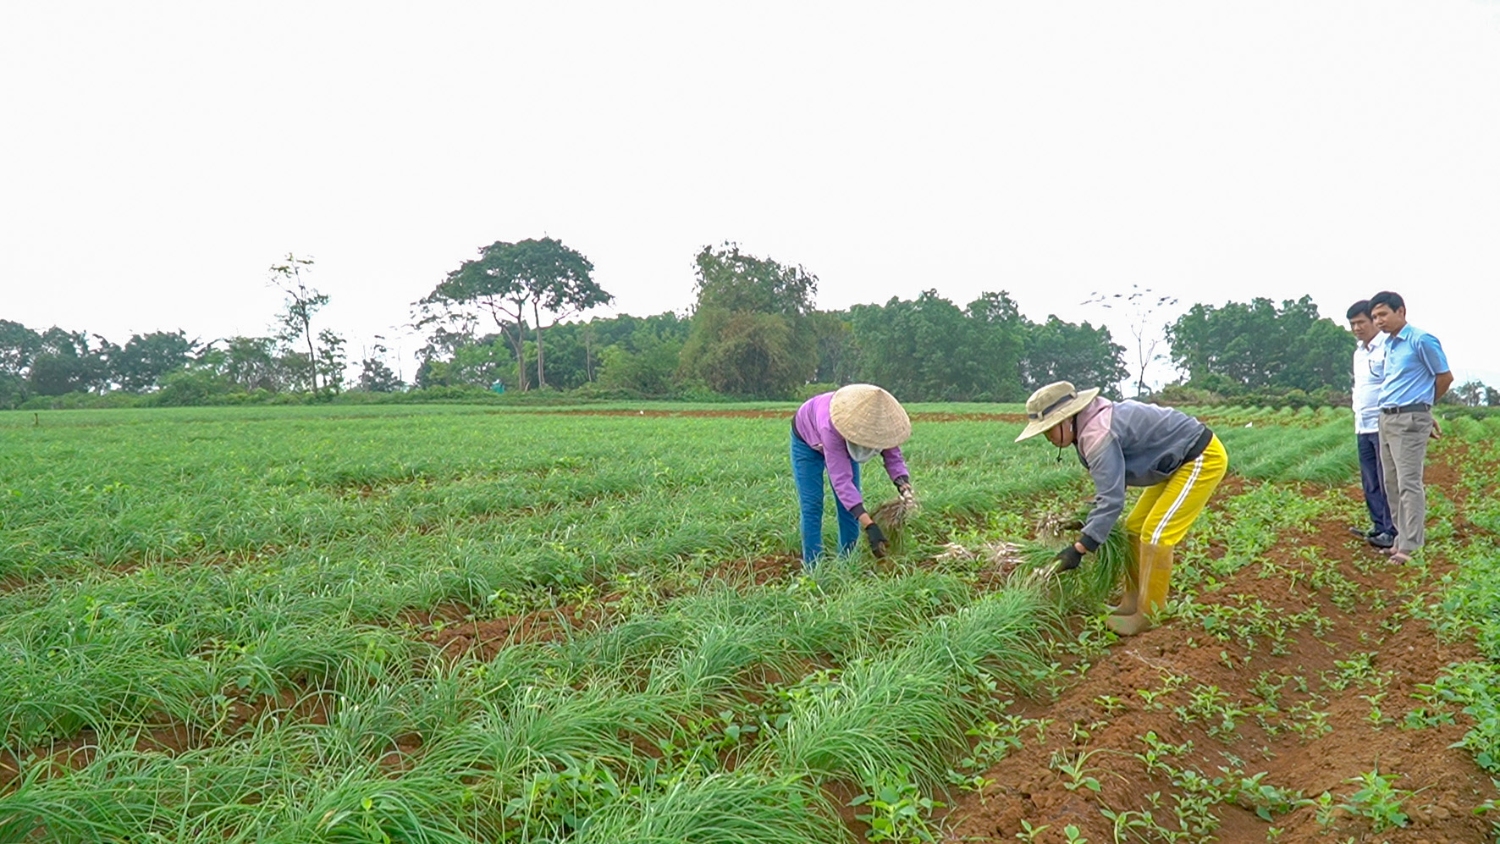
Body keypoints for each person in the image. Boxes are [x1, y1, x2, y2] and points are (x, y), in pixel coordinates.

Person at [1015, 381, 1227, 636]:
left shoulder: (1096, 433)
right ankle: (1131, 601)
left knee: (1157, 534)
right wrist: (1084, 520)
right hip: (1173, 461)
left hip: (1199, 457)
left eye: (1049, 430)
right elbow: (1111, 485)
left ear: (1067, 418)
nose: (1048, 438)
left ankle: (1148, 615)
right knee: (1134, 528)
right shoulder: (1089, 423)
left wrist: (1079, 549)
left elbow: (1113, 500)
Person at [1368, 291, 1452, 565]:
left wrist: (1424, 409)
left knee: (1408, 483)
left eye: (1383, 314)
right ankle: (1399, 539)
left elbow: (1444, 377)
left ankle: (1411, 545)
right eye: (1375, 317)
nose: (1378, 321)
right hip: (1387, 417)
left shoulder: (1421, 340)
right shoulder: (1390, 344)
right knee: (1391, 482)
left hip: (1409, 419)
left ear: (1401, 311)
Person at [792, 384, 913, 569]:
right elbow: (841, 482)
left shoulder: (880, 425)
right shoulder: (833, 427)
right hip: (807, 438)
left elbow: (893, 456)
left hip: (840, 439)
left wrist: (904, 485)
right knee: (812, 505)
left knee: (848, 508)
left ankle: (847, 564)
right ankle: (813, 567)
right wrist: (870, 525)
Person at [1346, 300, 1396, 549]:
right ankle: (1379, 527)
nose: (1357, 328)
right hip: (1362, 424)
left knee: (1386, 477)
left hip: (1383, 423)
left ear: (1373, 321)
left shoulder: (1388, 348)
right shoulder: (1359, 352)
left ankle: (1392, 530)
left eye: (1361, 322)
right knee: (1370, 479)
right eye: (1352, 324)